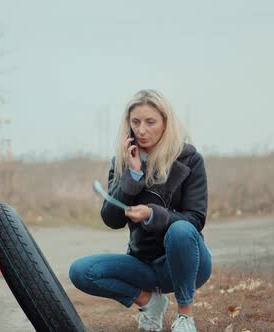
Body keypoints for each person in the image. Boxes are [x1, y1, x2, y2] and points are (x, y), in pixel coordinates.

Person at [69, 89, 211, 332]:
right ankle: (151, 303)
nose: (141, 130)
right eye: (135, 122)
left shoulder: (190, 159)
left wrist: (153, 215)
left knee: (180, 229)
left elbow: (195, 219)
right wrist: (132, 177)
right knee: (81, 271)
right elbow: (110, 219)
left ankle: (185, 317)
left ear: (165, 123)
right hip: (143, 265)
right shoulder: (123, 161)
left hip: (186, 263)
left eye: (150, 122)